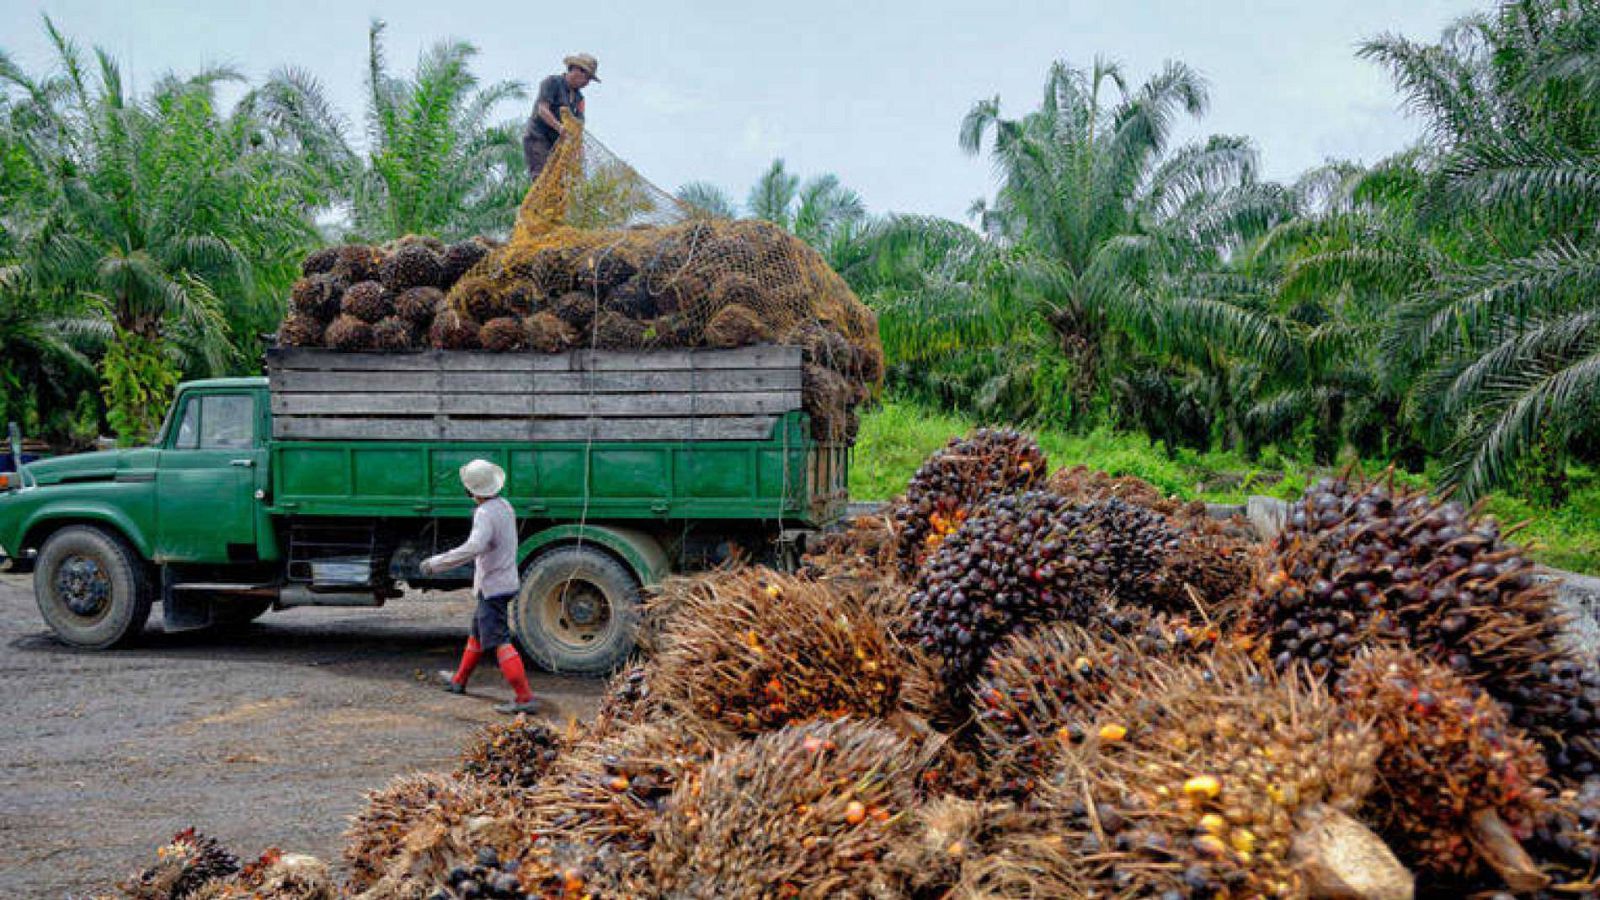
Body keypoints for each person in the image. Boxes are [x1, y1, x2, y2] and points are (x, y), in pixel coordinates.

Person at [420, 459, 540, 715]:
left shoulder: (485, 514)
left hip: (493, 586)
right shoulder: (505, 506)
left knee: (499, 641)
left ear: (471, 491)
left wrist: (437, 563)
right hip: (504, 580)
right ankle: (458, 681)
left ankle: (524, 697)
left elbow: (474, 547)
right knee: (477, 632)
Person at [523, 53, 599, 180]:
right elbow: (542, 110)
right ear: (575, 69)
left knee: (559, 183)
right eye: (587, 77)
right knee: (542, 179)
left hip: (557, 146)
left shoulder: (579, 99)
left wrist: (577, 149)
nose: (587, 83)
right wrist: (560, 128)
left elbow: (578, 126)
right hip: (538, 139)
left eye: (589, 79)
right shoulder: (552, 83)